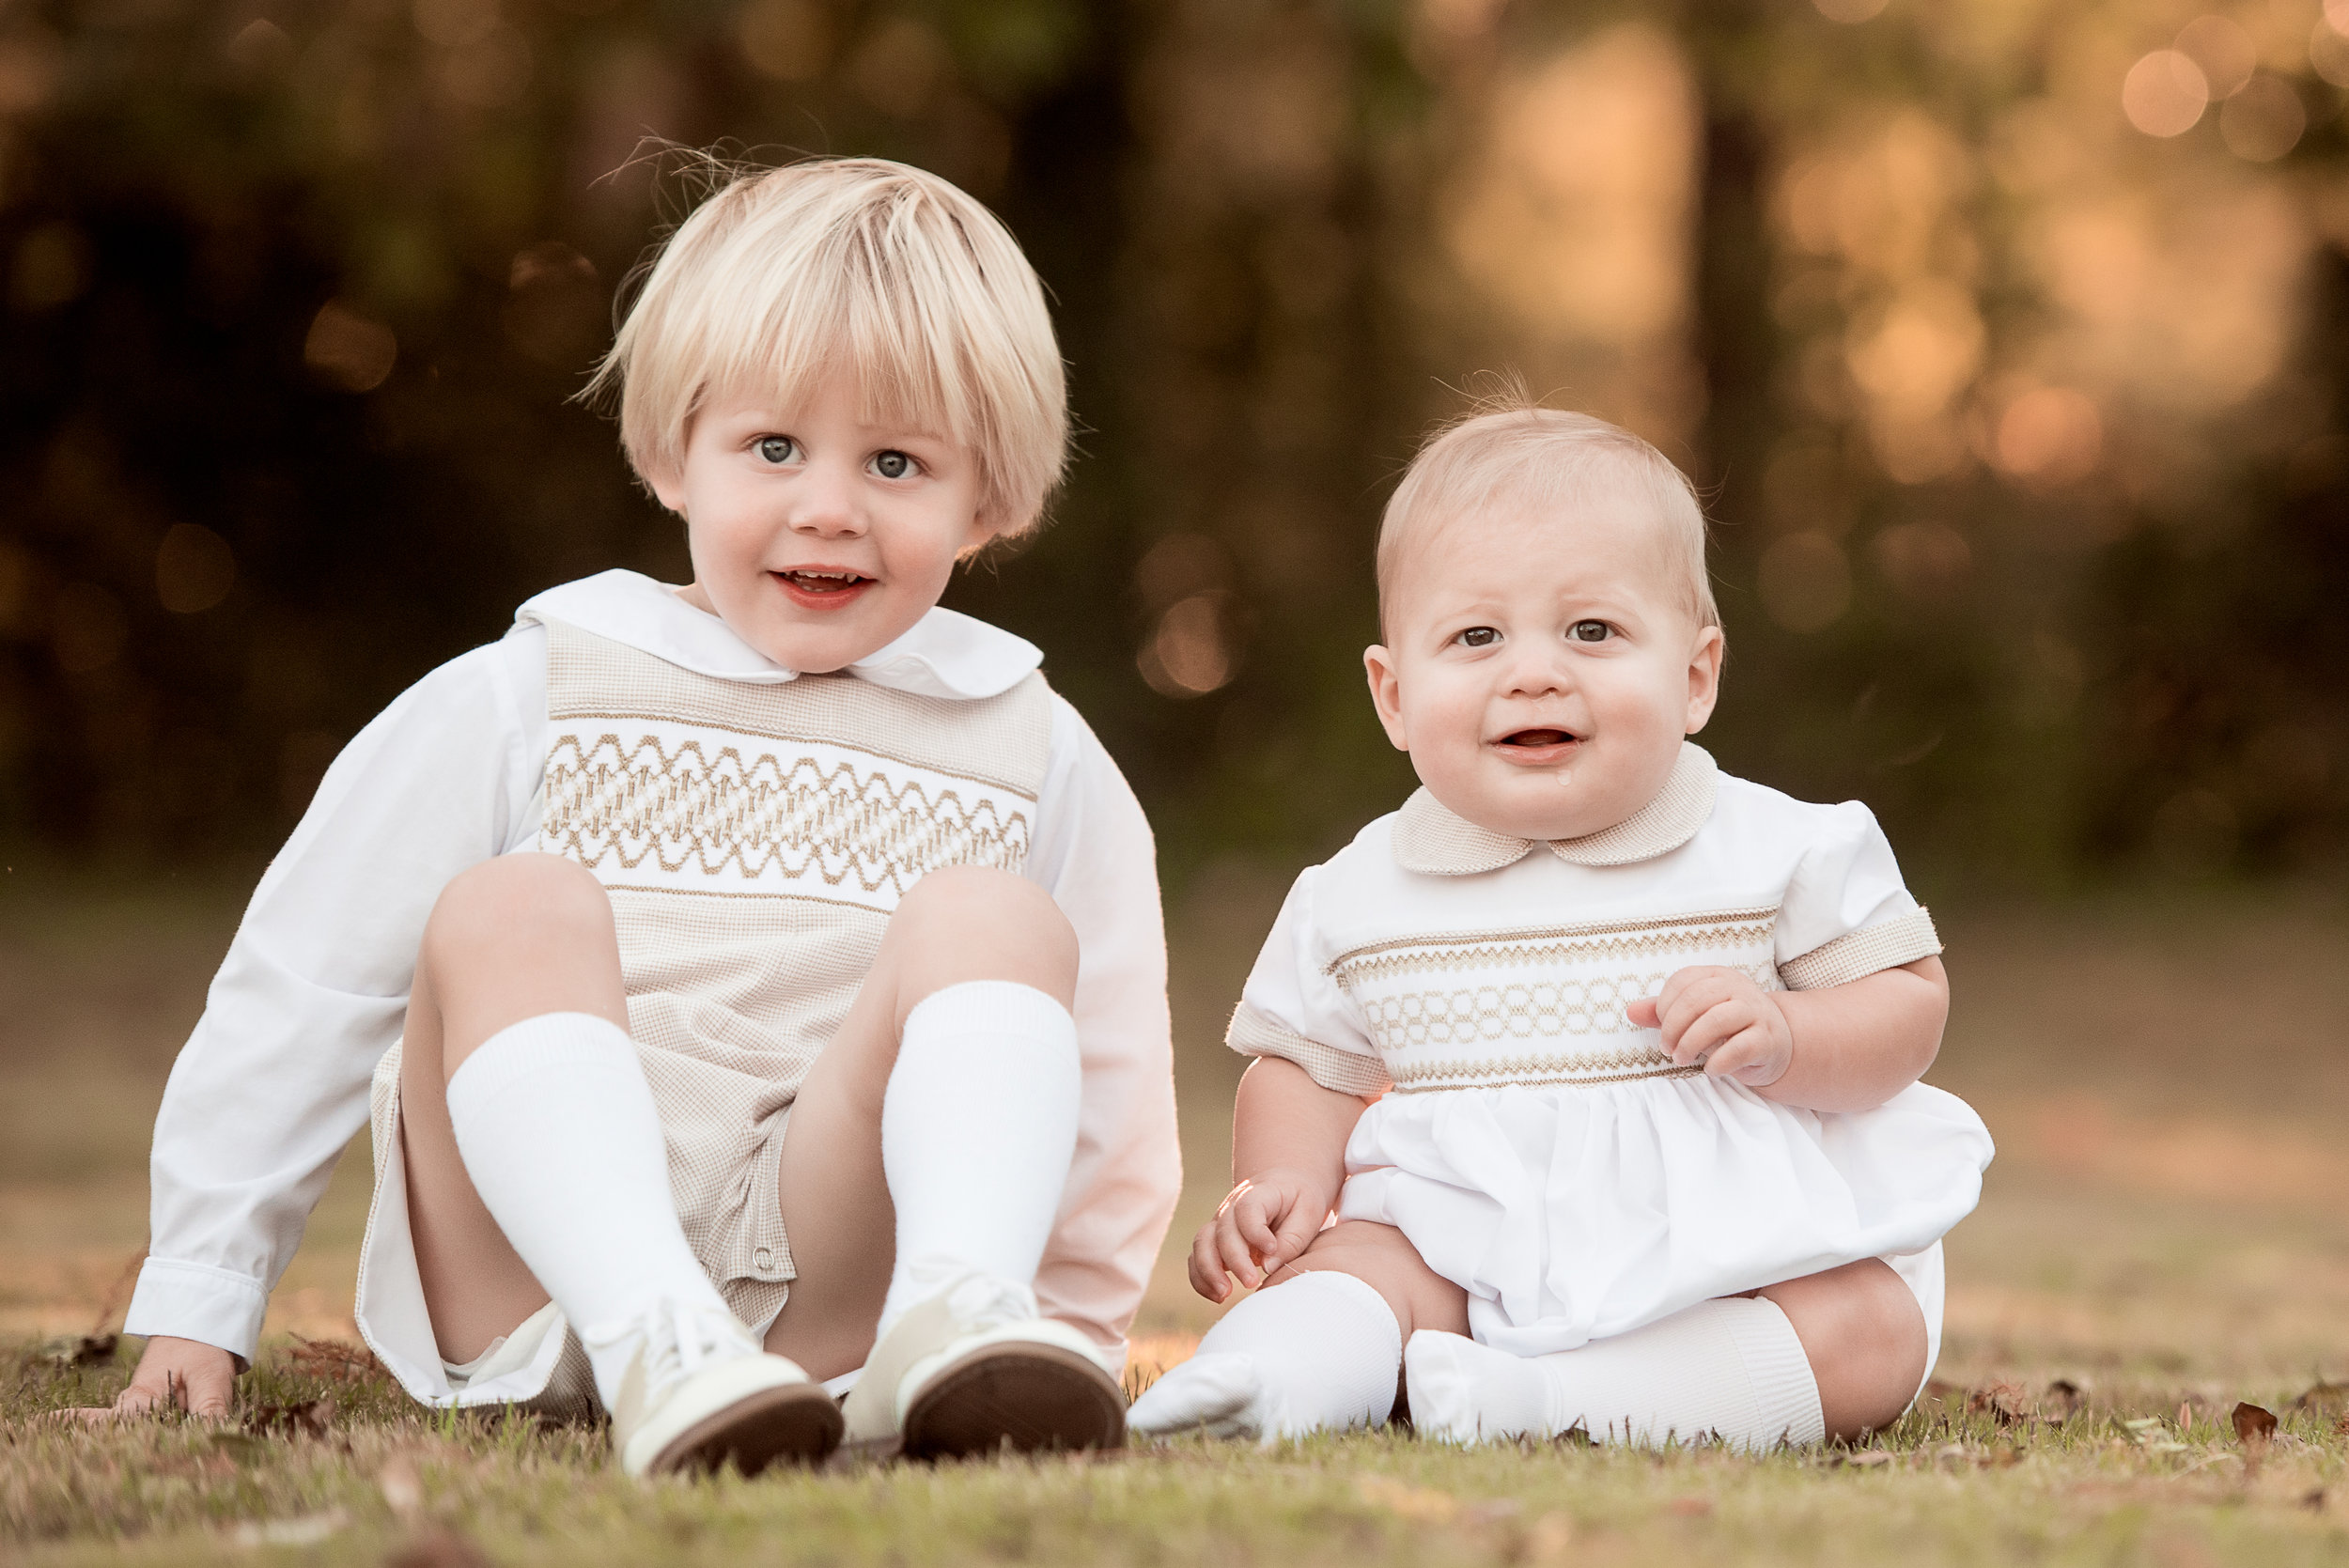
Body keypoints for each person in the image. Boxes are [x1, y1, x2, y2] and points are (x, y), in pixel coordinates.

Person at [77, 157, 1180, 1475]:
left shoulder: (1034, 745)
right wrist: (203, 1300)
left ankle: (959, 1319)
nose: (828, 504)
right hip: (532, 1275)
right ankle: (656, 1334)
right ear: (673, 454)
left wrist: (1071, 1330)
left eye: (897, 460)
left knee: (993, 922)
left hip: (822, 1281)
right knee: (509, 905)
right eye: (773, 447)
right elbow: (302, 987)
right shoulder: (535, 685)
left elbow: (1111, 1082)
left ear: (989, 496)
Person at [1127, 401, 1993, 1450]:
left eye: (1592, 630)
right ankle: (1265, 1378)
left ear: (1695, 675)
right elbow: (1307, 1067)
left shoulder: (1777, 850)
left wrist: (1791, 1035)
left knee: (1870, 1332)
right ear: (1394, 696)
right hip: (1459, 1250)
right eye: (1476, 635)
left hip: (1730, 1260)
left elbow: (1906, 1003)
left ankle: (1556, 1404)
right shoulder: (1358, 891)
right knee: (1353, 1271)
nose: (1532, 670)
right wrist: (1284, 1182)